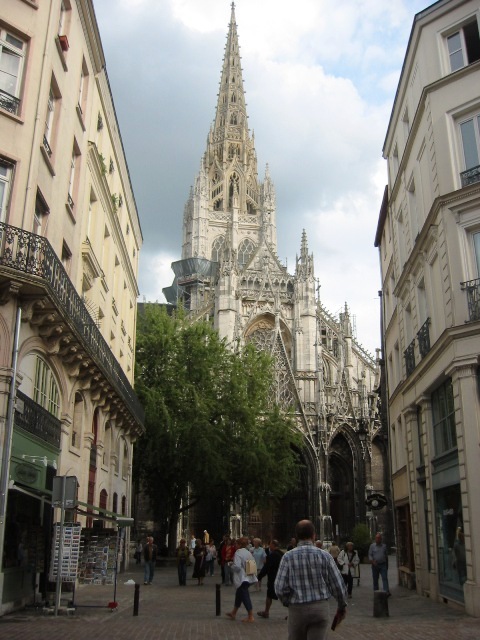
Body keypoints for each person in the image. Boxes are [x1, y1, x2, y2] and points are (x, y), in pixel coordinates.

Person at [275, 519, 347, 640]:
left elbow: (280, 588)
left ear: (296, 536)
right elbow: (338, 585)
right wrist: (341, 606)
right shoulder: (325, 556)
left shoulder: (288, 557)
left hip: (297, 609)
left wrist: (288, 602)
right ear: (314, 535)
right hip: (319, 608)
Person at [225, 536, 258, 623]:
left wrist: (231, 564)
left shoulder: (238, 552)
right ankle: (234, 612)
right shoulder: (248, 552)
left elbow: (237, 567)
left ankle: (250, 615)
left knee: (244, 595)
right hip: (248, 576)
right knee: (239, 595)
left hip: (242, 578)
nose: (235, 545)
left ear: (239, 544)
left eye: (236, 544)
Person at [256, 539, 284, 619]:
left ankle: (266, 612)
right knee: (282, 595)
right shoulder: (281, 554)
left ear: (273, 545)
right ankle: (266, 611)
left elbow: (267, 567)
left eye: (270, 545)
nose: (269, 546)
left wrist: (260, 576)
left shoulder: (273, 555)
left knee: (269, 595)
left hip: (273, 577)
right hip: (280, 577)